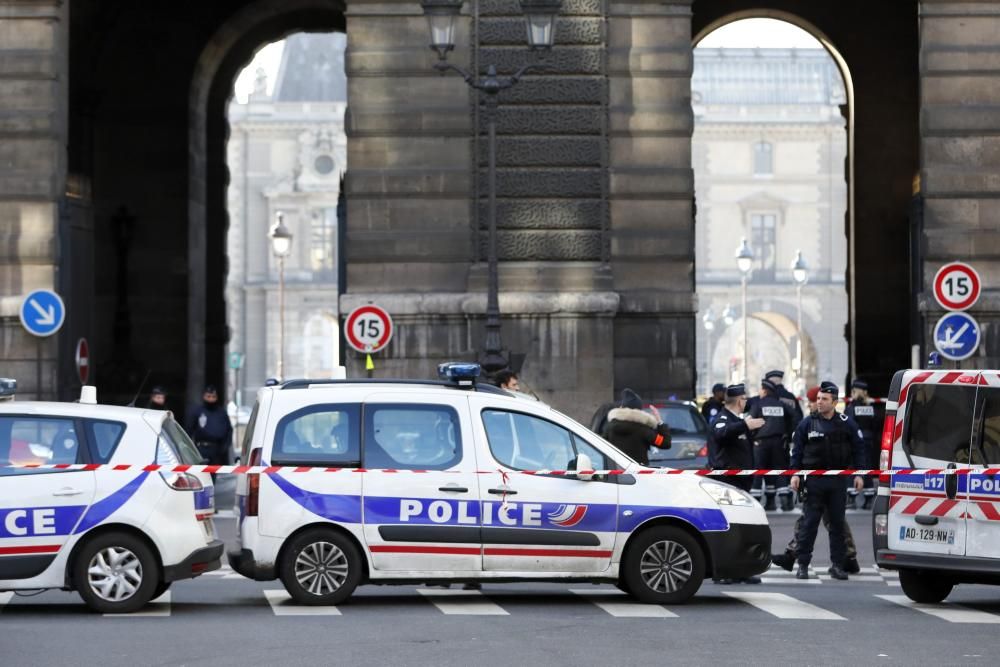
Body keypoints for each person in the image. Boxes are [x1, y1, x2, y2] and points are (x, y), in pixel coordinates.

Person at [770, 384, 861, 574]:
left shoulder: (846, 423)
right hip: (813, 481)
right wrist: (794, 473)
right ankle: (802, 565)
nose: (819, 402)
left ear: (835, 402)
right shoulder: (807, 423)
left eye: (824, 399)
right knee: (809, 524)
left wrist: (860, 473)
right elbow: (797, 451)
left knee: (836, 524)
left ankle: (837, 565)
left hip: (837, 481)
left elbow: (858, 449)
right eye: (818, 398)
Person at [706, 383, 766, 584]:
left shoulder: (736, 420)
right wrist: (745, 426)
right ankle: (724, 572)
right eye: (745, 399)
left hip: (741, 483)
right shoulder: (723, 418)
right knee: (728, 530)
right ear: (740, 400)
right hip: (727, 483)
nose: (746, 402)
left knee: (742, 529)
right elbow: (721, 433)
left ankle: (742, 570)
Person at [747, 378, 796, 511]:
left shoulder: (758, 404)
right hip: (779, 442)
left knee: (758, 471)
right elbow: (794, 416)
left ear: (764, 390)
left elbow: (749, 423)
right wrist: (787, 433)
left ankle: (755, 504)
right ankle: (783, 503)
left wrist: (752, 438)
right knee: (779, 470)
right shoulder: (780, 405)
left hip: (761, 443)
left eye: (760, 389)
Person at [602, 388, 671, 466]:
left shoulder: (610, 427)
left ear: (622, 407)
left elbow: (601, 446)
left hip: (616, 471)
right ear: (639, 410)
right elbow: (665, 443)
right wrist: (659, 421)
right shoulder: (643, 429)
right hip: (637, 473)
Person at [845, 379, 880, 510]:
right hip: (869, 442)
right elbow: (876, 425)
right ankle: (869, 499)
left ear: (854, 392)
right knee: (867, 468)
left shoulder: (851, 407)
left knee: (852, 468)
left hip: (855, 441)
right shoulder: (870, 408)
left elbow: (848, 425)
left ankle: (851, 498)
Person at [185, 384, 233, 468]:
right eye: (208, 396)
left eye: (213, 397)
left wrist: (224, 448)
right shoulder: (197, 411)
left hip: (216, 450)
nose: (211, 399)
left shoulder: (221, 413)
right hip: (201, 449)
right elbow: (189, 430)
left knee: (213, 476)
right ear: (204, 396)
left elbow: (228, 431)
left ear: (216, 398)